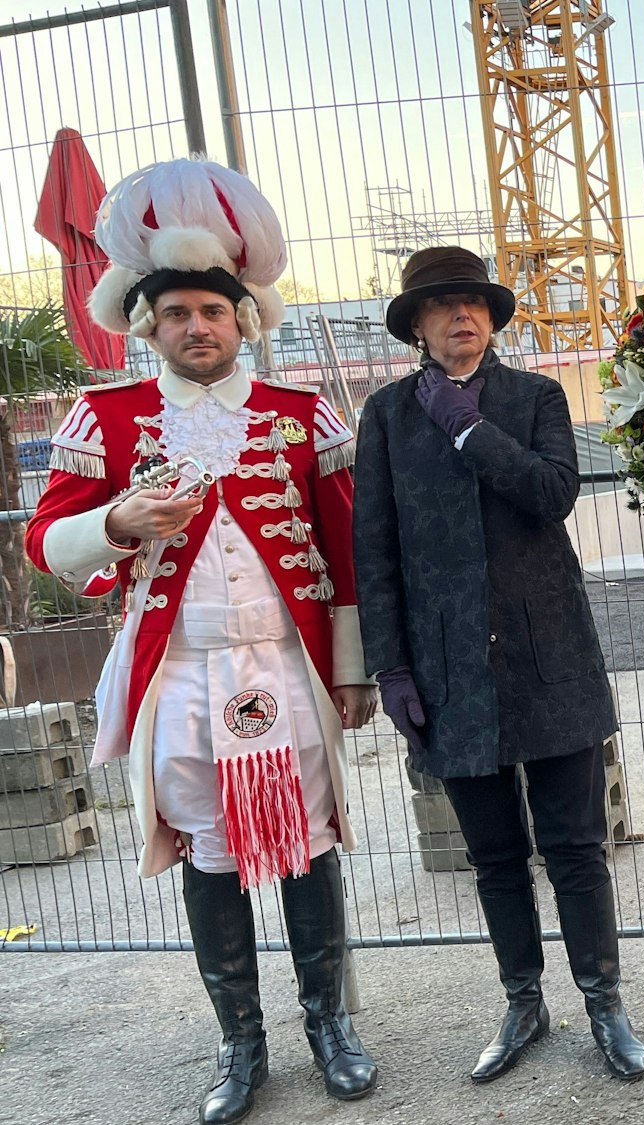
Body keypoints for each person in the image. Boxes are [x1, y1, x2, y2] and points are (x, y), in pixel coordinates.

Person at [27, 159, 379, 1124]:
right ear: (148, 323)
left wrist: (351, 669)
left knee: (307, 844)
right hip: (177, 669)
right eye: (175, 311)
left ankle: (329, 1028)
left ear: (243, 319)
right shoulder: (103, 419)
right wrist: (120, 520)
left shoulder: (307, 416)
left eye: (212, 312)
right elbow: (44, 541)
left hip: (287, 663)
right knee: (209, 854)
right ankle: (241, 1043)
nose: (195, 326)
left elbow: (345, 547)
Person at [351, 246, 644, 1081]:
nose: (460, 316)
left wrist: (469, 426)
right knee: (493, 856)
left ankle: (604, 1001)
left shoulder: (535, 397)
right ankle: (523, 1000)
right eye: (440, 306)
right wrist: (391, 668)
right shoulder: (385, 418)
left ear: (491, 315)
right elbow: (374, 550)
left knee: (577, 846)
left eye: (472, 302)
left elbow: (553, 492)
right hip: (448, 673)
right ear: (416, 325)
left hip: (549, 654)